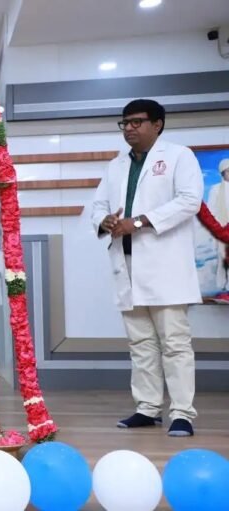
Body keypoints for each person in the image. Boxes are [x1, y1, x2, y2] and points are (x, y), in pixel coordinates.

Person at [91, 99, 203, 437]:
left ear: (158, 124)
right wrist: (105, 220)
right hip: (126, 264)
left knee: (175, 343)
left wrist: (138, 222)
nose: (129, 128)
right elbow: (98, 205)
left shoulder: (179, 156)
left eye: (137, 122)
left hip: (165, 265)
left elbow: (189, 201)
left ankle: (182, 413)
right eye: (125, 123)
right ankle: (148, 407)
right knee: (140, 343)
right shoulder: (116, 165)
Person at [206, 159, 229, 291]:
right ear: (223, 173)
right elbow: (211, 210)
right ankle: (221, 284)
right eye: (228, 171)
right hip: (222, 228)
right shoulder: (215, 189)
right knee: (222, 257)